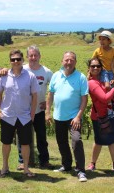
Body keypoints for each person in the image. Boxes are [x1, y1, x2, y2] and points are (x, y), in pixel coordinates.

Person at [0, 49, 40, 178]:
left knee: (25, 144)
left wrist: (32, 114)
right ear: (10, 61)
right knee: (6, 143)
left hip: (24, 116)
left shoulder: (30, 76)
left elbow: (35, 96)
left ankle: (26, 168)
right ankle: (5, 167)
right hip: (7, 115)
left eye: (18, 59)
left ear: (22, 60)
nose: (15, 62)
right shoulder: (3, 76)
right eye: (13, 59)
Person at [46, 51, 88, 182]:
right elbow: (50, 95)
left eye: (72, 60)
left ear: (75, 62)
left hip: (73, 117)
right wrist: (47, 112)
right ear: (62, 61)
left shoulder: (81, 77)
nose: (69, 62)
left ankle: (81, 170)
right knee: (61, 142)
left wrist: (78, 116)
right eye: (66, 60)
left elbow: (84, 99)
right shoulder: (56, 76)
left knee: (76, 141)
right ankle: (66, 165)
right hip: (58, 116)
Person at [16, 45, 54, 171]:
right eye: (31, 55)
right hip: (24, 111)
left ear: (39, 56)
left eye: (35, 55)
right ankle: (23, 161)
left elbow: (54, 89)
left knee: (42, 137)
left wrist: (47, 104)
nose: (33, 58)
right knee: (23, 137)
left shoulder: (47, 72)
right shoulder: (21, 69)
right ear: (27, 57)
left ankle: (44, 161)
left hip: (39, 111)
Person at [86, 57, 114, 173]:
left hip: (110, 114)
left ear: (101, 68)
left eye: (98, 66)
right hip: (98, 116)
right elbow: (105, 98)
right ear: (89, 69)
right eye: (93, 66)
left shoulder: (104, 79)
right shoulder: (91, 83)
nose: (95, 68)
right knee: (99, 140)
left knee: (112, 140)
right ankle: (92, 163)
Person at [92, 30, 114, 113]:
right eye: (100, 39)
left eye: (104, 39)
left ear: (109, 41)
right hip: (102, 72)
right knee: (107, 87)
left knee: (112, 90)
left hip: (111, 72)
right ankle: (109, 105)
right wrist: (90, 74)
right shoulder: (97, 51)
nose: (101, 41)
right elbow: (92, 62)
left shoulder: (113, 51)